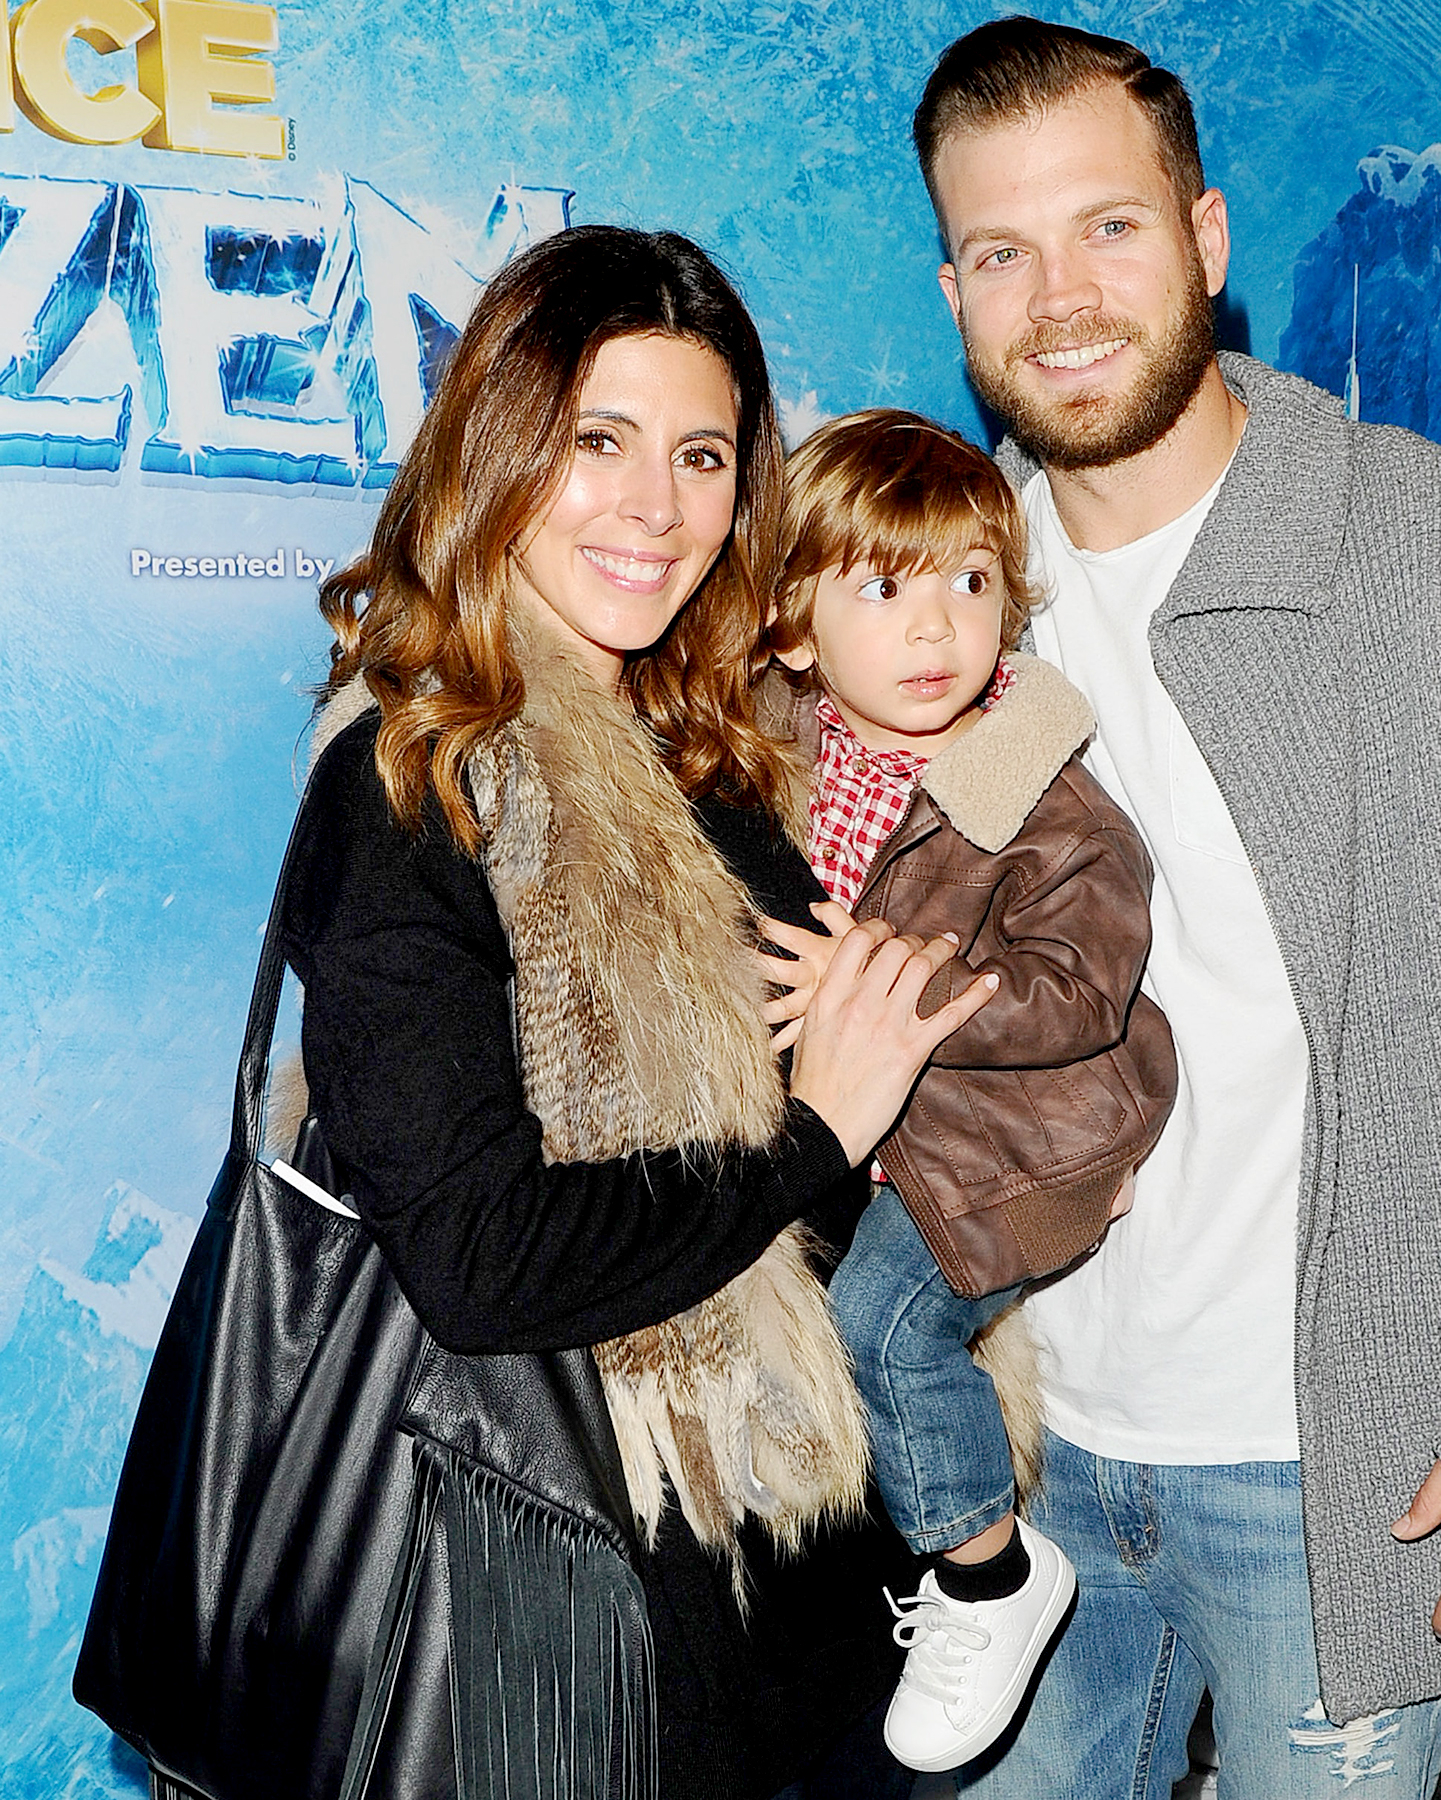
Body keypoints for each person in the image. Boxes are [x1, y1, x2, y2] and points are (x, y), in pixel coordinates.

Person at [906, 18, 1441, 1799]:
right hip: (1027, 1467)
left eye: (1107, 228)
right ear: (952, 288)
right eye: (1000, 250)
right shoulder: (961, 609)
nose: (1060, 298)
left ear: (1202, 239)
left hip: (1335, 1473)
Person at [286, 226, 997, 1800]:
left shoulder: (714, 756)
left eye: (700, 456)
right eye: (597, 442)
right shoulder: (417, 780)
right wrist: (820, 1129)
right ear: (499, 449)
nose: (655, 509)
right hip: (587, 1614)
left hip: (811, 1580)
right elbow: (480, 1259)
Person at [753, 409, 1177, 1773]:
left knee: (883, 1330)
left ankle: (990, 1581)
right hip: (881, 1128)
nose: (937, 625)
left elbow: (1080, 992)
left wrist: (880, 991)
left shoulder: (1041, 796)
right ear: (796, 630)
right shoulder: (794, 758)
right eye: (885, 586)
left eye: (970, 582)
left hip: (1027, 1135)